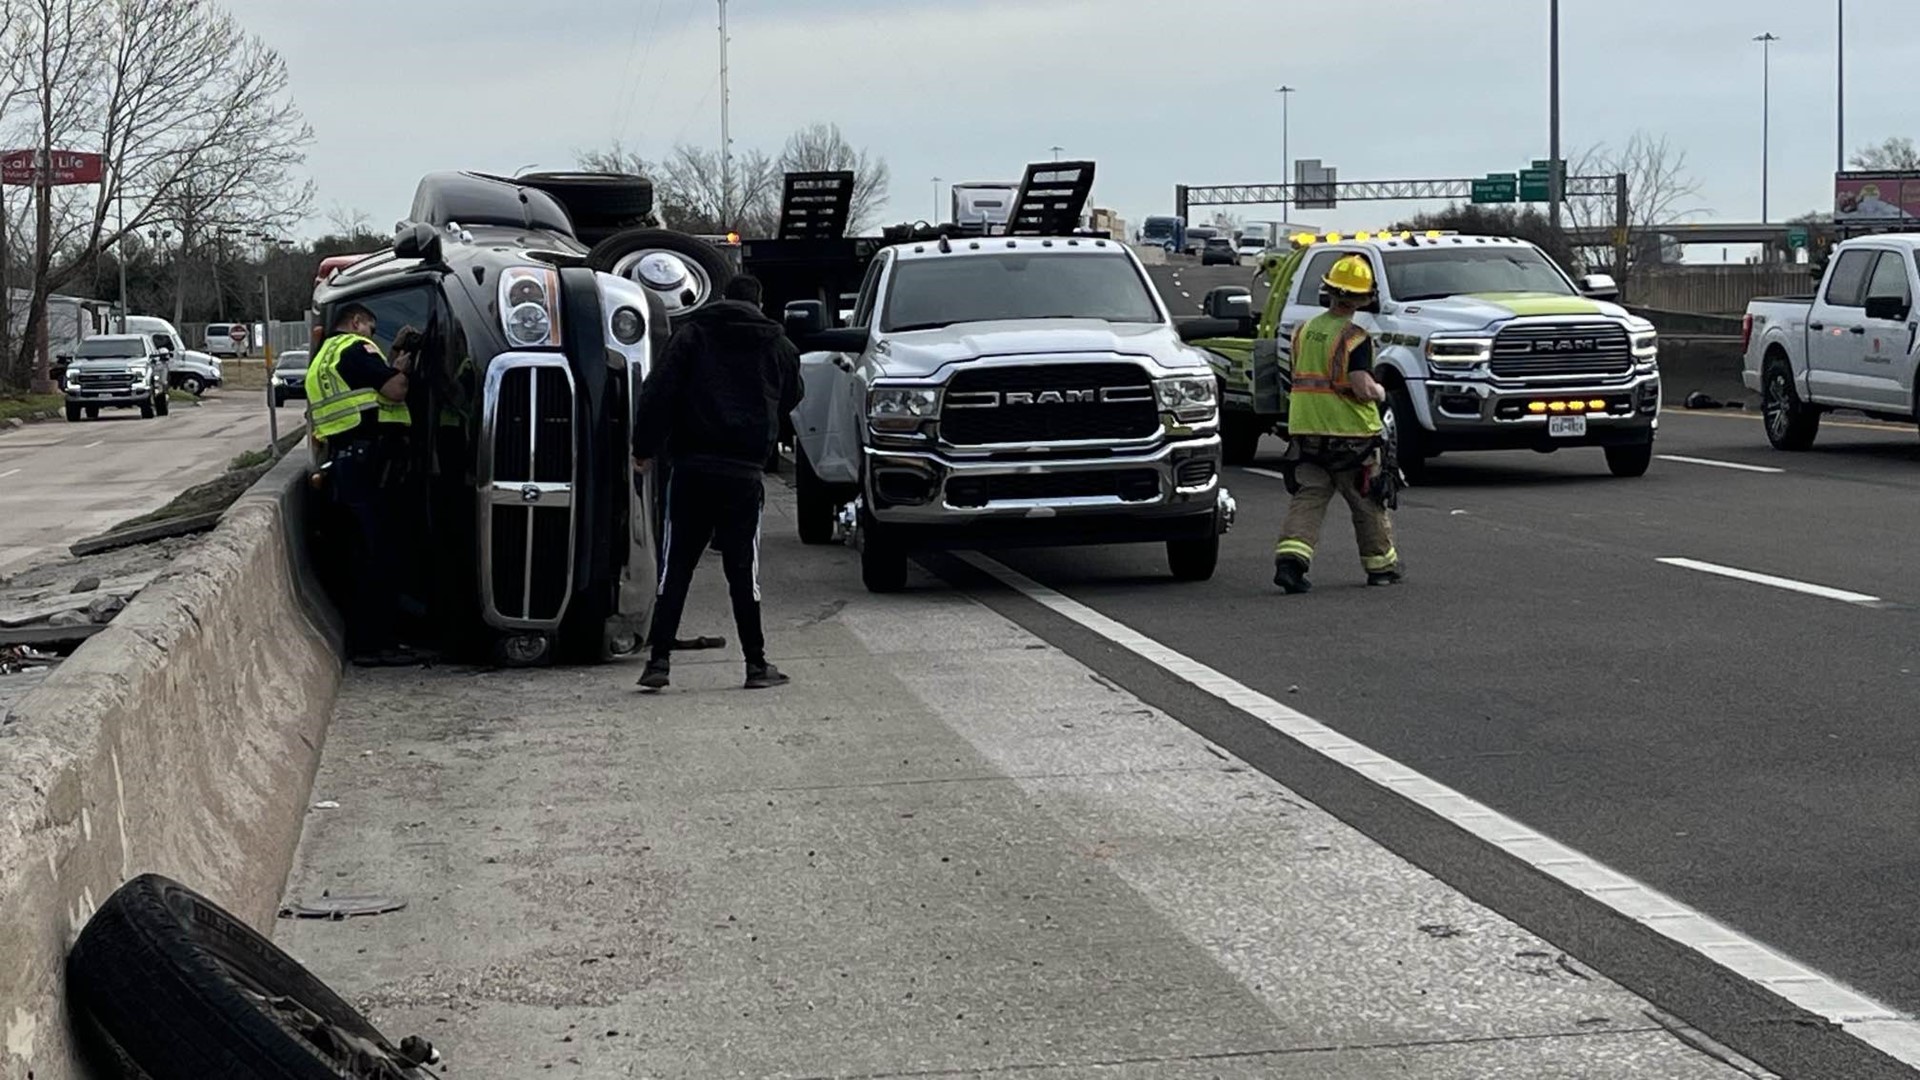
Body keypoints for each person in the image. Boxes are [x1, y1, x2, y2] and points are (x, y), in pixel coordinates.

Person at [632, 273, 803, 691]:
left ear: (723, 298)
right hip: (744, 472)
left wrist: (644, 447)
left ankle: (658, 662)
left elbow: (659, 390)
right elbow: (793, 394)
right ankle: (756, 665)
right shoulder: (778, 344)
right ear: (758, 302)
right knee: (743, 572)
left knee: (677, 566)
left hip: (692, 467)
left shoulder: (692, 335)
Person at [1272, 254, 1404, 594]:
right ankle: (1382, 567)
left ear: (1329, 291)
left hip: (1307, 432)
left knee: (1309, 496)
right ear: (1364, 298)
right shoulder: (1354, 337)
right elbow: (1360, 386)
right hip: (1351, 437)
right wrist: (1380, 393)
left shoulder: (1304, 330)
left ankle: (1291, 563)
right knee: (1366, 500)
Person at [306, 303, 426, 666]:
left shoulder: (323, 357)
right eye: (371, 328)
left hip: (344, 463)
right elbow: (394, 390)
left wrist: (392, 355)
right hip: (370, 462)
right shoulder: (355, 347)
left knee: (361, 554)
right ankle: (377, 645)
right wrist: (403, 367)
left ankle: (367, 641)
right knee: (380, 554)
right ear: (357, 322)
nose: (372, 336)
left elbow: (364, 385)